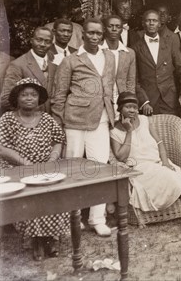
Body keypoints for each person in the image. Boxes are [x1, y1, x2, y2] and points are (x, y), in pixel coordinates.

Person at [110, 92, 181, 230]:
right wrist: (129, 131)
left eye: (134, 107)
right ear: (120, 109)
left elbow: (159, 142)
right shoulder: (115, 131)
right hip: (140, 170)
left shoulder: (145, 120)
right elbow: (121, 157)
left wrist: (166, 162)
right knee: (173, 179)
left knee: (177, 177)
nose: (132, 110)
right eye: (128, 107)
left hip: (158, 163)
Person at [51, 18, 117, 237]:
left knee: (99, 167)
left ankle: (97, 219)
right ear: (82, 35)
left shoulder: (109, 56)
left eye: (99, 33)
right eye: (90, 33)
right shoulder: (71, 60)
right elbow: (59, 94)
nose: (95, 37)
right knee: (73, 169)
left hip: (101, 119)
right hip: (75, 120)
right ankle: (73, 218)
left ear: (103, 34)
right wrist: (58, 123)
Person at [0, 78, 68, 260]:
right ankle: (36, 240)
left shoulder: (46, 118)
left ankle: (49, 239)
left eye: (33, 95)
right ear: (16, 98)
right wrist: (28, 165)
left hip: (45, 167)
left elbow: (58, 140)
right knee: (31, 196)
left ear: (39, 99)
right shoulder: (7, 119)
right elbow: (1, 148)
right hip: (16, 168)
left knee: (56, 191)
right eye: (24, 95)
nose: (29, 98)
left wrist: (52, 160)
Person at [131, 10, 181, 116]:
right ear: (143, 23)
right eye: (148, 21)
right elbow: (134, 79)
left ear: (159, 23)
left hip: (170, 100)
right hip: (149, 102)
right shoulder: (135, 48)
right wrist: (144, 102)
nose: (151, 23)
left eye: (154, 20)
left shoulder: (169, 43)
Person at [1, 27, 56, 113]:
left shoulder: (54, 65)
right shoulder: (18, 64)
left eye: (47, 41)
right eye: (39, 40)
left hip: (51, 120)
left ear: (52, 44)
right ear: (31, 40)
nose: (42, 44)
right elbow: (6, 98)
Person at [101, 14, 136, 113]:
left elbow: (131, 82)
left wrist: (129, 103)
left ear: (122, 30)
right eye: (110, 26)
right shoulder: (98, 50)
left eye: (118, 27)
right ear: (104, 29)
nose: (114, 29)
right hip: (102, 99)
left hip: (121, 99)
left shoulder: (129, 53)